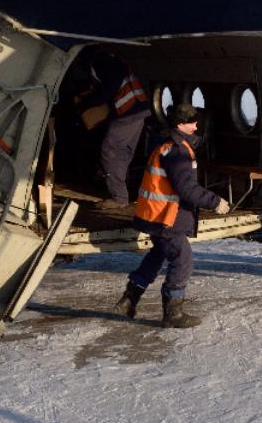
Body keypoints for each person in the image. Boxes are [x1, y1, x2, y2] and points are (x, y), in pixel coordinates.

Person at [113, 103, 231, 328]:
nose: (196, 125)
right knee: (182, 260)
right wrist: (215, 202)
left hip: (156, 216)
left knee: (157, 255)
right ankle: (173, 313)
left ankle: (129, 299)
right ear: (180, 124)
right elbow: (186, 188)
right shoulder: (177, 151)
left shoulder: (166, 144)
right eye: (192, 121)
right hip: (167, 218)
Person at [81, 49, 150, 212]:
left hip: (128, 112)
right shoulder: (109, 58)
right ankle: (121, 192)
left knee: (110, 150)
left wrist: (87, 103)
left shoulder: (101, 60)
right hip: (137, 110)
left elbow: (109, 87)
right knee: (122, 153)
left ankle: (119, 198)